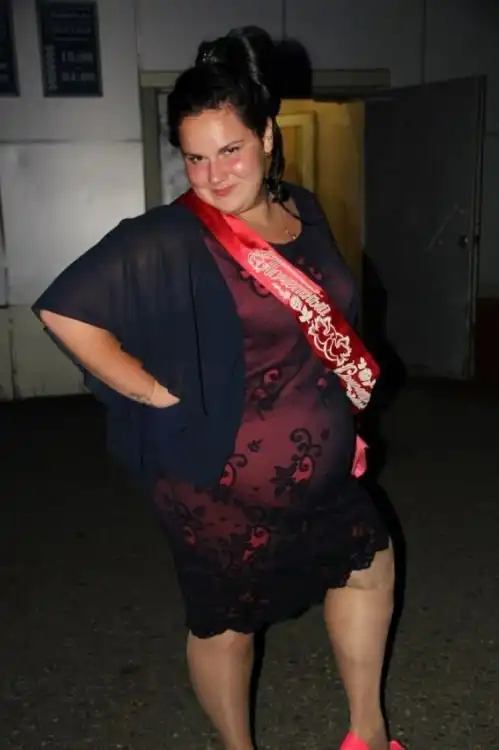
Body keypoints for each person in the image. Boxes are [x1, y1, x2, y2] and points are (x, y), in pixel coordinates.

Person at [33, 26, 404, 750]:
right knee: (226, 624)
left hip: (323, 464)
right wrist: (157, 395)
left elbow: (324, 319)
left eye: (230, 150)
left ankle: (366, 733)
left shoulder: (302, 211)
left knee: (368, 568)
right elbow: (63, 312)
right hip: (218, 479)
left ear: (266, 135)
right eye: (194, 157)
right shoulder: (172, 235)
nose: (213, 175)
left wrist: (343, 415)